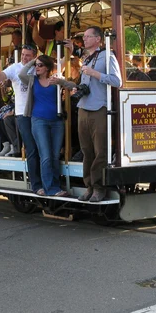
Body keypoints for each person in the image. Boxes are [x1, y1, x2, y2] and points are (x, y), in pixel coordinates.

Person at [51, 26, 122, 202]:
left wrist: (96, 74)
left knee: (100, 151)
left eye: (88, 36)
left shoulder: (107, 56)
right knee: (86, 151)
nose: (85, 39)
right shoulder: (86, 58)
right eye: (84, 36)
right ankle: (89, 186)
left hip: (99, 109)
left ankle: (99, 188)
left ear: (98, 39)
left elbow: (117, 81)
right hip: (83, 108)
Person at [0, 44, 42, 193]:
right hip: (23, 114)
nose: (24, 57)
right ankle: (36, 184)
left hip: (39, 113)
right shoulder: (15, 68)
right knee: (31, 148)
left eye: (27, 55)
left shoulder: (38, 68)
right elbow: (1, 75)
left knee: (43, 148)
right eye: (23, 54)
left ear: (34, 55)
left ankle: (45, 181)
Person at [18, 55, 68, 197]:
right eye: (36, 65)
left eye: (40, 65)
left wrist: (62, 82)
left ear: (47, 68)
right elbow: (21, 74)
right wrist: (33, 61)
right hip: (39, 120)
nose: (37, 67)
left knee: (54, 155)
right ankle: (50, 188)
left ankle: (56, 186)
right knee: (45, 155)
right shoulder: (33, 80)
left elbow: (71, 85)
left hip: (56, 121)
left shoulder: (55, 80)